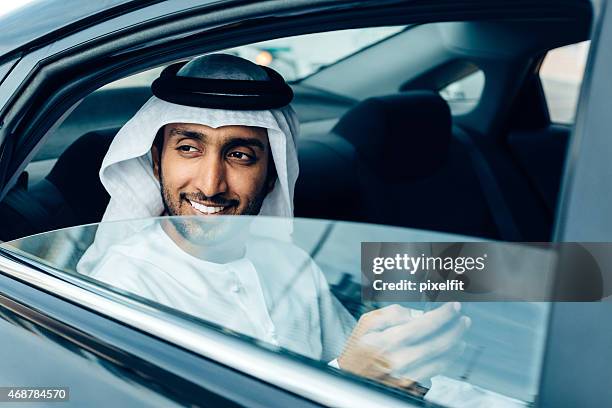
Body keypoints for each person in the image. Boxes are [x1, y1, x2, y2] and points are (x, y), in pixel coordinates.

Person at [77, 53, 472, 396]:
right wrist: (349, 379)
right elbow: (354, 372)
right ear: (156, 161)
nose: (210, 184)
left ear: (271, 174)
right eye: (189, 149)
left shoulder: (289, 263)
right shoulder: (125, 288)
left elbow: (365, 362)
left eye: (241, 155)